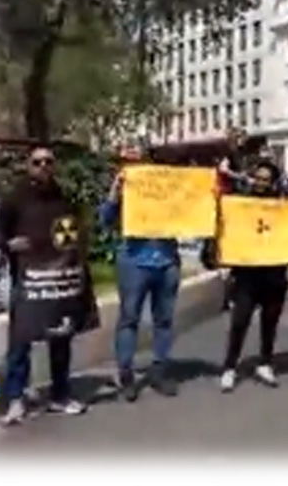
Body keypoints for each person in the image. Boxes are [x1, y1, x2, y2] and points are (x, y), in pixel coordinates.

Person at [0, 145, 93, 424]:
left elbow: (75, 230)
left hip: (60, 282)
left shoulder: (64, 197)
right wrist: (8, 244)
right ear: (28, 165)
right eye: (37, 162)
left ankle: (60, 395)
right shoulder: (15, 198)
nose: (44, 166)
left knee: (61, 338)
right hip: (28, 282)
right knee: (20, 341)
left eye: (49, 161)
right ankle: (16, 398)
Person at [98, 144, 181, 402]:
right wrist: (115, 193)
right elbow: (105, 220)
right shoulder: (127, 188)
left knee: (164, 319)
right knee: (129, 318)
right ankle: (126, 373)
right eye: (126, 161)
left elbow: (193, 212)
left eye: (136, 160)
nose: (131, 165)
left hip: (167, 261)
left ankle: (159, 370)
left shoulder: (170, 188)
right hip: (133, 261)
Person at [218, 160, 288, 392]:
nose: (261, 183)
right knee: (239, 321)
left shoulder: (283, 206)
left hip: (274, 274)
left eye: (265, 180)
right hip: (246, 274)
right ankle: (230, 367)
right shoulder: (242, 203)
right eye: (258, 178)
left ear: (273, 182)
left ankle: (265, 363)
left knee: (270, 322)